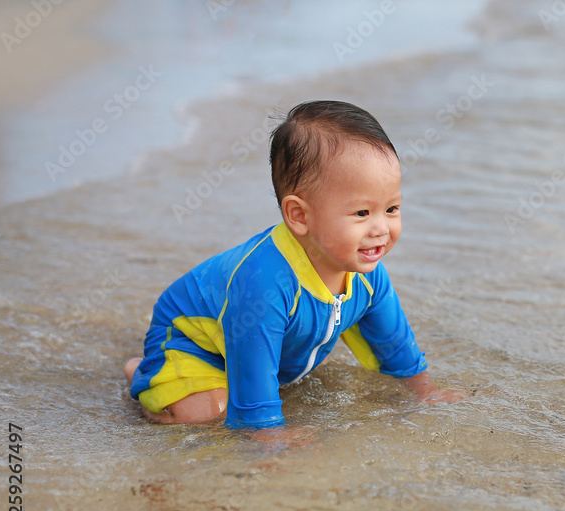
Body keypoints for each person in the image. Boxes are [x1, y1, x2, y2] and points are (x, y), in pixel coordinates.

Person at [124, 100, 462, 429]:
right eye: (362, 213)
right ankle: (148, 373)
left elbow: (395, 347)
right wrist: (269, 433)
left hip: (245, 346)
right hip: (191, 344)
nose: (381, 229)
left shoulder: (368, 278)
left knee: (287, 371)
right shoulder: (264, 283)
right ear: (299, 216)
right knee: (210, 410)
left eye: (392, 209)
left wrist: (424, 391)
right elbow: (253, 387)